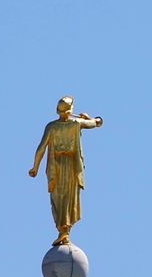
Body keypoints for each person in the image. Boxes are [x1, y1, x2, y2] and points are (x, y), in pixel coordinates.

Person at [29, 95, 104, 245]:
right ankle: (65, 230)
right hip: (70, 164)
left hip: (56, 165)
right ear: (71, 110)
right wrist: (90, 117)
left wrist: (35, 167)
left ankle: (63, 230)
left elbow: (41, 149)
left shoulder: (52, 127)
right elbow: (97, 123)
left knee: (58, 199)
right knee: (69, 199)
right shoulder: (76, 123)